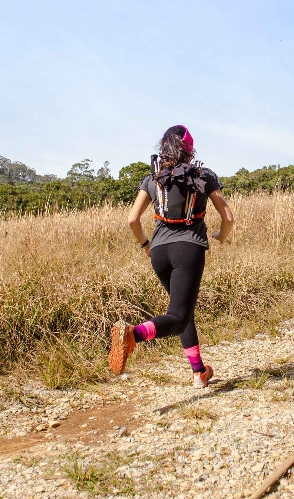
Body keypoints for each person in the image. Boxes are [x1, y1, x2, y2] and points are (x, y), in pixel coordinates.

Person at [108, 124, 234, 388]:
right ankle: (133, 334)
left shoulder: (152, 179)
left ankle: (199, 372)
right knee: (177, 318)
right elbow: (228, 218)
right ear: (190, 149)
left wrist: (145, 244)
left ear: (164, 148)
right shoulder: (205, 175)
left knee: (182, 312)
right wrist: (222, 236)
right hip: (188, 250)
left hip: (159, 252)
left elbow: (132, 220)